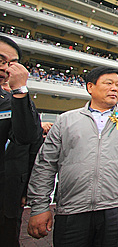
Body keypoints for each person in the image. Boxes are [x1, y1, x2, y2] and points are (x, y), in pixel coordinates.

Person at [26, 66, 118, 246]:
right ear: (90, 87)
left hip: (114, 207)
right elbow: (45, 164)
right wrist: (39, 207)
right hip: (72, 208)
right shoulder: (66, 120)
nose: (115, 88)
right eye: (108, 83)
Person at [0, 36, 44, 247]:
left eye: (11, 63)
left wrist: (19, 92)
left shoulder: (15, 100)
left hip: (7, 195)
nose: (5, 67)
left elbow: (29, 139)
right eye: (1, 60)